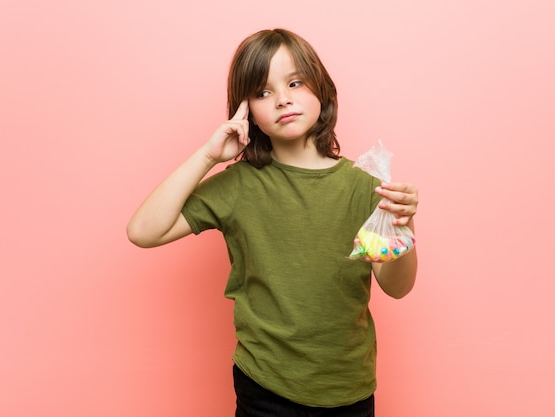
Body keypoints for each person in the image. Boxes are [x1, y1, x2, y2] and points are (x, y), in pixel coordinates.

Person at [127, 28, 418, 417]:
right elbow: (143, 230)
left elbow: (396, 287)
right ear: (245, 112)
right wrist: (208, 156)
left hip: (348, 386)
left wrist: (403, 225)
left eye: (295, 82)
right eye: (263, 92)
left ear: (322, 90)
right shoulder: (239, 185)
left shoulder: (365, 187)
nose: (283, 99)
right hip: (264, 385)